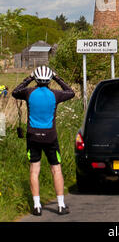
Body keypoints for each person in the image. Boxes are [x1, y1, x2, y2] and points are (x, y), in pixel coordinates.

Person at [12, 65, 75, 216]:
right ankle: (60, 205)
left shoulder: (28, 92)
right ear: (48, 80)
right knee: (56, 169)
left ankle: (37, 206)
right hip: (50, 137)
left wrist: (29, 78)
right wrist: (57, 77)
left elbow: (15, 91)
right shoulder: (55, 94)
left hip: (33, 136)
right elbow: (71, 92)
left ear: (37, 79)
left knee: (34, 170)